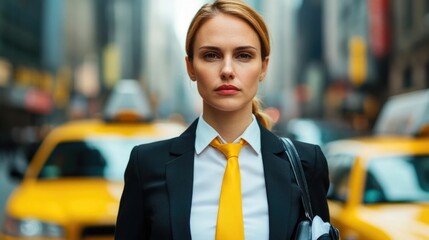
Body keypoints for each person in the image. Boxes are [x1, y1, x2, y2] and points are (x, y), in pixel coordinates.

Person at [115, 0, 331, 239]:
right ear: (190, 67)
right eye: (211, 55)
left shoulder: (307, 164)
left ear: (263, 67)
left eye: (243, 55)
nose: (227, 70)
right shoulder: (146, 165)